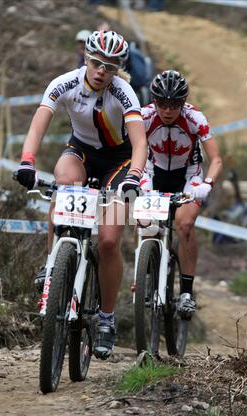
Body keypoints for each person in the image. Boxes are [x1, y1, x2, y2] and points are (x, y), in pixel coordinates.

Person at [16, 30, 147, 359]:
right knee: (64, 186)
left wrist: (133, 178)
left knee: (107, 240)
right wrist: (27, 162)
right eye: (96, 62)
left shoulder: (124, 92)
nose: (102, 70)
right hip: (82, 152)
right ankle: (53, 265)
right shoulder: (64, 83)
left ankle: (105, 317)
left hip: (121, 162)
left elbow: (140, 143)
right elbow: (38, 126)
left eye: (110, 66)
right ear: (85, 59)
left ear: (118, 69)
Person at [140, 70, 223, 319]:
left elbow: (216, 158)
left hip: (188, 176)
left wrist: (207, 184)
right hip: (153, 172)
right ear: (154, 101)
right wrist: (136, 179)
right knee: (146, 223)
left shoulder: (194, 117)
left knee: (184, 224)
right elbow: (129, 151)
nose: (167, 110)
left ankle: (186, 292)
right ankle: (145, 275)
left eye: (174, 104)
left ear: (183, 102)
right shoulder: (144, 116)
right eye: (162, 104)